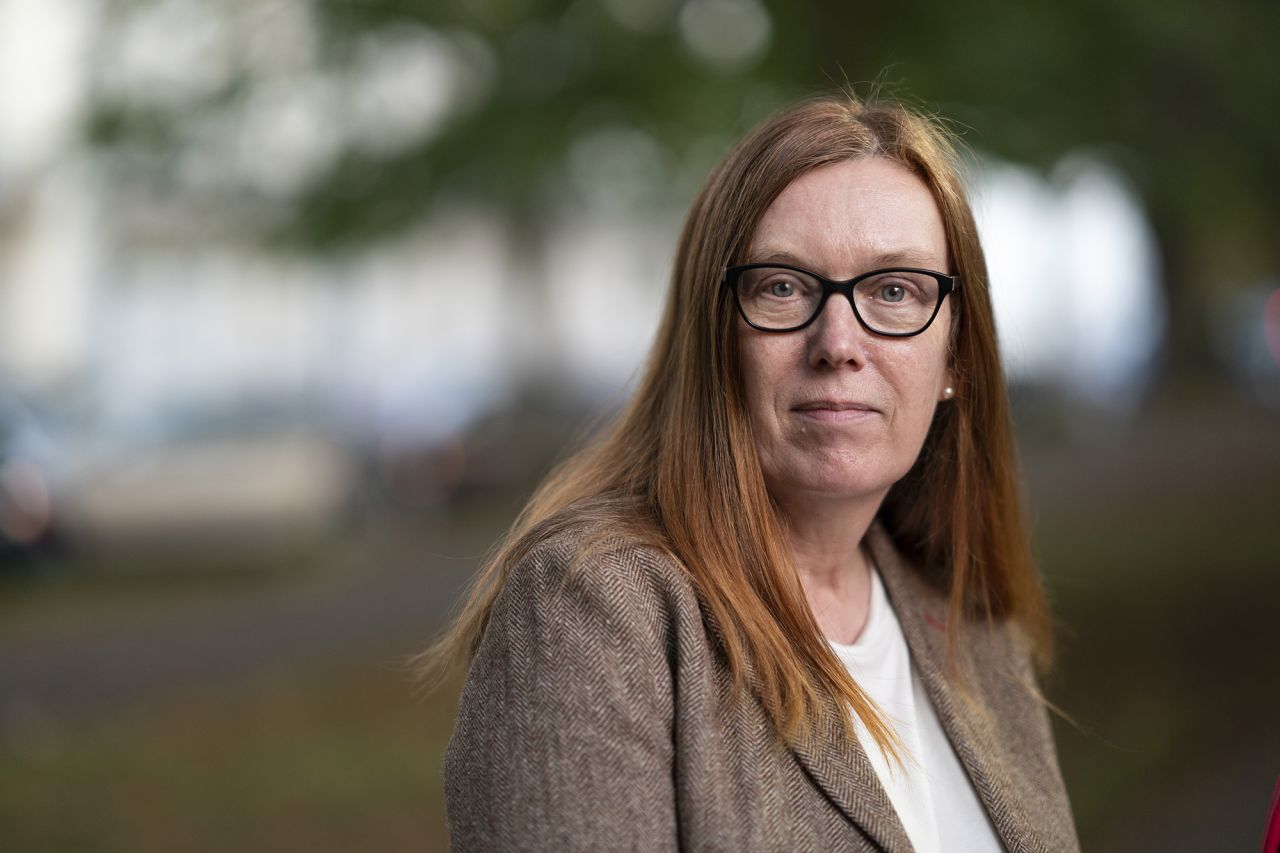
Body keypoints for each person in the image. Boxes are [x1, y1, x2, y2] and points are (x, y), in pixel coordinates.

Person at [429, 92, 1079, 852]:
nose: (838, 342)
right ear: (715, 337)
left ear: (956, 358)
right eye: (783, 287)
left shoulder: (966, 618)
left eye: (894, 290)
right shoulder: (597, 611)